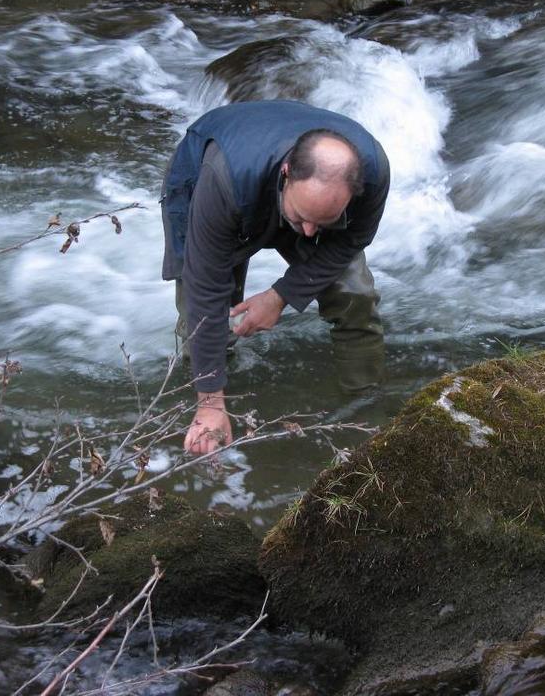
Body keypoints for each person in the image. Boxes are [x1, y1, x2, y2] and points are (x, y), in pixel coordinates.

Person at [160, 100, 391, 455]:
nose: (310, 233)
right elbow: (205, 290)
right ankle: (208, 412)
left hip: (281, 190)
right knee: (206, 321)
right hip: (216, 178)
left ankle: (367, 411)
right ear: (286, 173)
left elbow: (351, 241)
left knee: (355, 296)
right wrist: (209, 402)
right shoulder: (224, 181)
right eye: (302, 218)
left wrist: (281, 295)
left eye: (324, 221)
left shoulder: (373, 173)